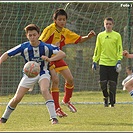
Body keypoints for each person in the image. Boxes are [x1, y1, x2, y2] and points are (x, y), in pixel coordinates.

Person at [0, 24, 66, 124]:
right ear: (27, 36)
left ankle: (54, 118)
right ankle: (4, 118)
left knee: (44, 90)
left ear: (38, 34)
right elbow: (7, 54)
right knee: (17, 98)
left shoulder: (46, 47)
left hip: (43, 73)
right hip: (28, 75)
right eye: (30, 35)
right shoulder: (23, 47)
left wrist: (49, 59)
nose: (32, 37)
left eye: (34, 35)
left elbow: (62, 54)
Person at [39, 8, 96, 117]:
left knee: (70, 79)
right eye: (59, 19)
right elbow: (40, 42)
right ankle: (57, 109)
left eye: (64, 19)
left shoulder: (65, 31)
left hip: (58, 58)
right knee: (55, 80)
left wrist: (88, 37)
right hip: (48, 59)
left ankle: (66, 100)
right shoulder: (49, 29)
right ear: (54, 20)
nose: (62, 22)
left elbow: (78, 39)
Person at [92, 17, 123, 107]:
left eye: (110, 24)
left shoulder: (117, 35)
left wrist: (119, 60)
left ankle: (112, 102)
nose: (108, 26)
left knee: (113, 84)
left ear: (112, 25)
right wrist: (95, 61)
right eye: (107, 24)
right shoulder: (100, 36)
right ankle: (105, 97)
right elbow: (97, 49)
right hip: (103, 63)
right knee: (103, 83)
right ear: (104, 25)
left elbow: (119, 48)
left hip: (113, 63)